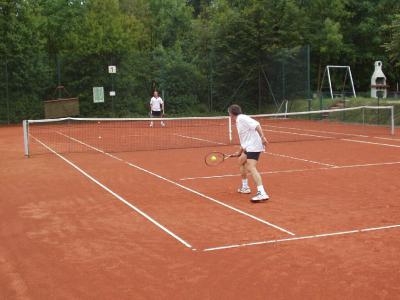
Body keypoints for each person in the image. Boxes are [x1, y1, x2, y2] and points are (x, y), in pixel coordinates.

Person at [228, 104, 269, 202]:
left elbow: (256, 124)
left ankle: (262, 193)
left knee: (251, 167)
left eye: (229, 113)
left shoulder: (242, 118)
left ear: (231, 113)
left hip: (254, 145)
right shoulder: (238, 121)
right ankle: (245, 187)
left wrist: (263, 137)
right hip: (249, 145)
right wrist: (239, 152)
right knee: (241, 161)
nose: (229, 115)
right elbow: (244, 140)